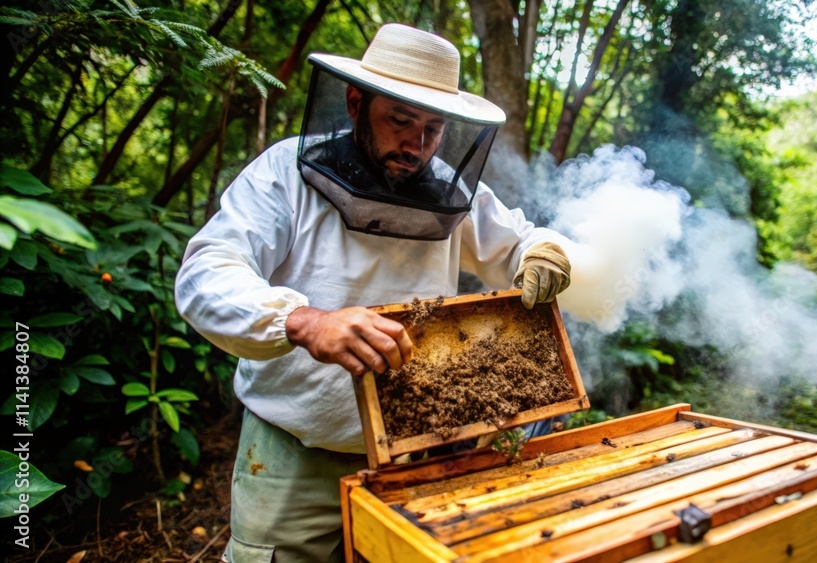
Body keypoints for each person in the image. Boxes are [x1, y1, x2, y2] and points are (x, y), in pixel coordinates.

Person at [175, 23, 572, 562]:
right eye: (401, 120)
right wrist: (306, 321)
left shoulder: (452, 193)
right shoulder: (283, 174)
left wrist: (542, 251)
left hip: (421, 453)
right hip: (296, 450)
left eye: (434, 128)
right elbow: (205, 273)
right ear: (356, 102)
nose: (418, 143)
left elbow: (521, 239)